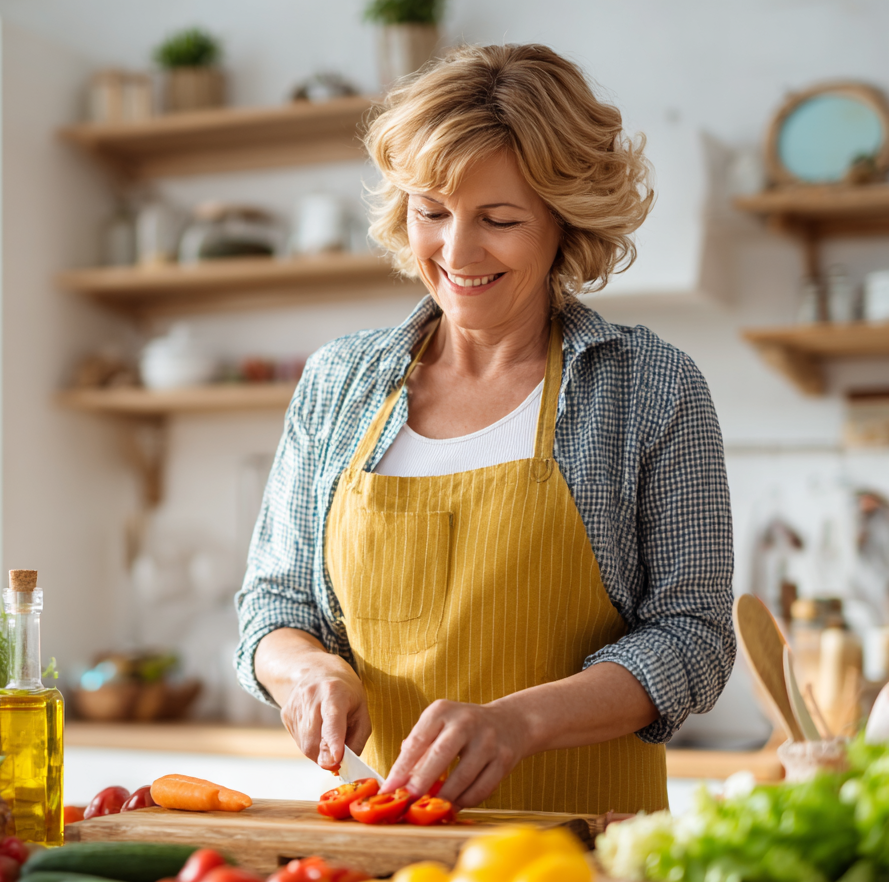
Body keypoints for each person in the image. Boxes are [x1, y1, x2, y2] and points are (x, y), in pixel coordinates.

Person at [235, 43, 734, 814]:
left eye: (498, 219)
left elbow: (692, 636)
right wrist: (309, 672)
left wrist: (520, 723)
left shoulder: (651, 388)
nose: (457, 252)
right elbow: (274, 606)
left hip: (583, 854)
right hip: (384, 853)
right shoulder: (338, 383)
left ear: (564, 225)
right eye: (431, 213)